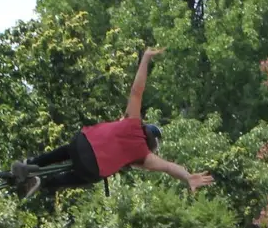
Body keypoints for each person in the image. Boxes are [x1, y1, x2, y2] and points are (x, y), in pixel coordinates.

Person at [18, 48, 213, 196]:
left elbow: (137, 90)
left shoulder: (133, 121)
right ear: (152, 145)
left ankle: (32, 163)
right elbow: (171, 167)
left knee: (67, 150)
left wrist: (145, 58)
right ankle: (42, 183)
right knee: (83, 178)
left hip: (82, 142)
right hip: (91, 168)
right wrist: (187, 176)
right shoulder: (145, 156)